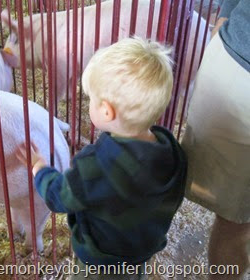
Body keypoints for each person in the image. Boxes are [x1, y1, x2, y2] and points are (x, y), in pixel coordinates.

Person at [16, 37, 187, 279]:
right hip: (139, 258)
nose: (89, 106)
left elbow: (58, 197)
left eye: (91, 100)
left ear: (106, 111)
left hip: (99, 264)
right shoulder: (173, 151)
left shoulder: (97, 164)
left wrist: (39, 166)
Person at [182, 0, 250, 279]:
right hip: (240, 70)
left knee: (235, 222)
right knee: (236, 221)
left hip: (234, 66)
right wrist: (224, 17)